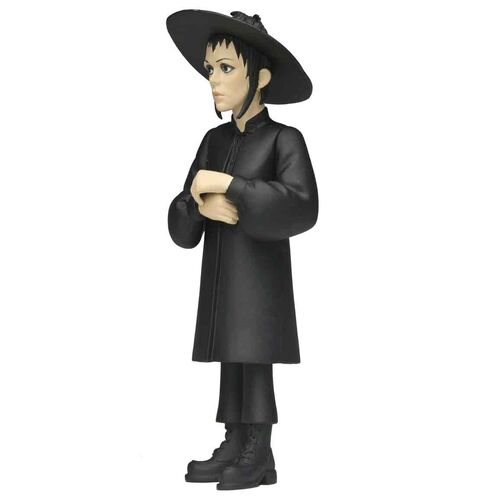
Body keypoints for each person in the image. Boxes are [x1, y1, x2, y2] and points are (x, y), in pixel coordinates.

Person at [166, 10, 318, 490]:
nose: (213, 79)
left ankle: (260, 446)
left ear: (261, 77)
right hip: (223, 275)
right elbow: (179, 216)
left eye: (227, 68)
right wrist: (200, 205)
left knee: (254, 354)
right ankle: (236, 440)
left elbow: (302, 204)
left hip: (260, 277)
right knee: (232, 356)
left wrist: (232, 187)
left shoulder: (283, 140)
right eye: (211, 69)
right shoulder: (213, 141)